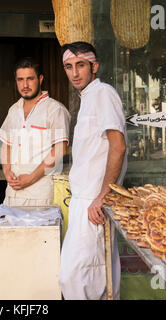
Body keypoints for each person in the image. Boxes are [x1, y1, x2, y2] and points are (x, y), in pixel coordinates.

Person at [58, 42, 128, 300]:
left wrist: (102, 196)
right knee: (88, 280)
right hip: (84, 202)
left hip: (94, 204)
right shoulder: (87, 98)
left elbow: (117, 146)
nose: (74, 73)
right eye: (69, 67)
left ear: (94, 66)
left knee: (80, 279)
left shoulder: (103, 93)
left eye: (81, 65)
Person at [0, 57, 71, 206]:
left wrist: (30, 178)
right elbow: (6, 145)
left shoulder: (55, 109)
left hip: (40, 194)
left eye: (30, 79)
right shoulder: (14, 110)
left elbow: (59, 150)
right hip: (12, 193)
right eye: (20, 80)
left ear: (40, 79)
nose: (25, 85)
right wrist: (7, 171)